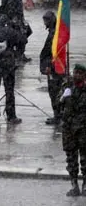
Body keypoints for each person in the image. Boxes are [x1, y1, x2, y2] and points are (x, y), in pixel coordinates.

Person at [60, 63, 86, 196]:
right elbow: (58, 107)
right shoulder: (67, 87)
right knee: (71, 159)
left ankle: (85, 185)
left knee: (85, 159)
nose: (77, 75)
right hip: (69, 130)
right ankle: (74, 184)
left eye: (80, 73)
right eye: (75, 72)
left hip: (83, 129)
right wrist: (65, 97)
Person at [39, 11, 64, 126]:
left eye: (46, 20)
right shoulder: (54, 32)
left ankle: (58, 116)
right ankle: (58, 115)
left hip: (54, 67)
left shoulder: (54, 33)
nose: (45, 23)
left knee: (54, 92)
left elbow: (53, 52)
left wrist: (49, 65)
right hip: (55, 66)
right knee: (55, 92)